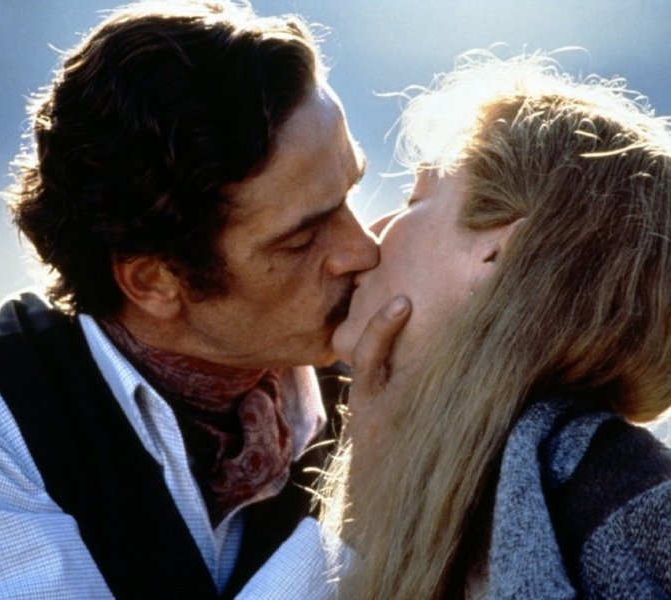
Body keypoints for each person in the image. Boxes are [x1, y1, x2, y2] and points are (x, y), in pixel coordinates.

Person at [0, 1, 378, 598]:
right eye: (301, 239)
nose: (364, 250)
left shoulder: (376, 380)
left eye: (350, 193)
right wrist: (369, 490)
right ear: (153, 281)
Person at [237, 51, 671, 599]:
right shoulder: (354, 436)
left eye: (415, 199)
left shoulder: (631, 511)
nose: (371, 233)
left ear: (498, 256)